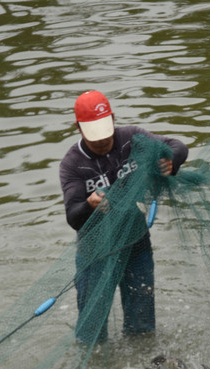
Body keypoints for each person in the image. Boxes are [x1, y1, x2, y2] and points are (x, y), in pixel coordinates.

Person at [60, 90, 189, 341]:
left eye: (105, 131)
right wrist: (89, 204)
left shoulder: (132, 138)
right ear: (78, 128)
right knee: (91, 334)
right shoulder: (72, 164)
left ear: (113, 119)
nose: (102, 141)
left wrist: (171, 160)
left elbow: (177, 146)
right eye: (94, 135)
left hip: (136, 244)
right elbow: (73, 216)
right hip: (95, 253)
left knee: (142, 328)